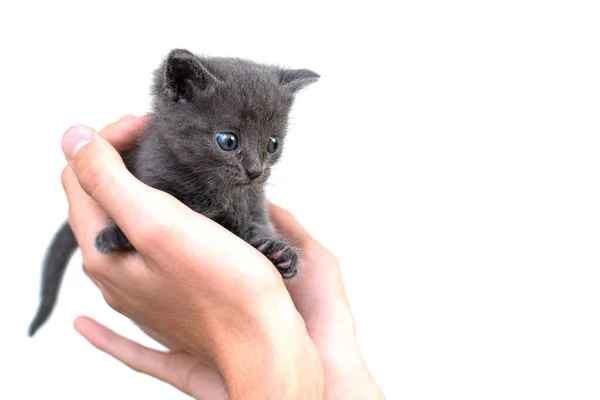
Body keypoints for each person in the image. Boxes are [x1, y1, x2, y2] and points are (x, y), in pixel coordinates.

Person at [60, 115, 385, 399]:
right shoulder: (161, 157)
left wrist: (253, 347)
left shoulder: (247, 181)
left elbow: (254, 226)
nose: (257, 167)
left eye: (271, 145)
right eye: (228, 141)